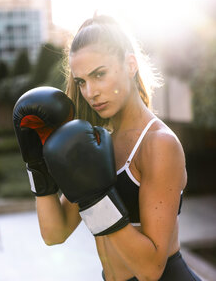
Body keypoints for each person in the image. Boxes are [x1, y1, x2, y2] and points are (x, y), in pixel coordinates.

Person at [13, 14, 202, 281]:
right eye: (81, 81)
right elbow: (55, 234)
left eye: (99, 74)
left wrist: (96, 199)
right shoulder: (98, 141)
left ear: (130, 65)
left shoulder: (158, 144)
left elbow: (150, 270)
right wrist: (36, 164)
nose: (90, 92)